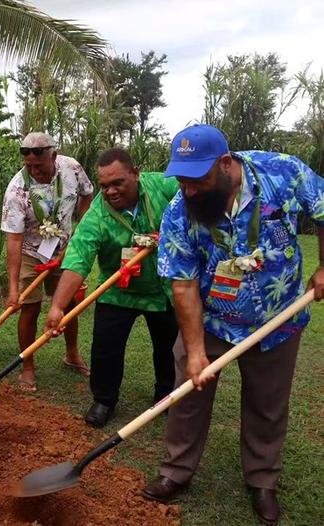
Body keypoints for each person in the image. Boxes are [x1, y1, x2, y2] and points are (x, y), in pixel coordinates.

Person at [141, 124, 324, 526]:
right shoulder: (180, 211)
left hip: (278, 319)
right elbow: (184, 284)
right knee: (188, 395)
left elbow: (323, 208)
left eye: (197, 180)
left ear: (226, 164)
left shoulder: (282, 173)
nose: (188, 190)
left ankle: (262, 479)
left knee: (267, 403)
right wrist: (195, 351)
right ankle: (176, 471)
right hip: (212, 321)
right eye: (182, 181)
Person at [44, 147, 179, 427]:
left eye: (118, 183)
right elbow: (78, 258)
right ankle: (104, 400)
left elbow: (196, 188)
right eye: (104, 186)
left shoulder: (163, 186)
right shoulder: (97, 216)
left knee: (167, 346)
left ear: (136, 174)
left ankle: (166, 396)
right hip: (117, 287)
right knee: (106, 347)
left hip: (163, 287)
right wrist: (58, 306)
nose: (111, 191)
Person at [1, 132, 93, 391]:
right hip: (31, 251)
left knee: (68, 303)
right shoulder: (17, 190)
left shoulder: (72, 168)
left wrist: (81, 228)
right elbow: (14, 240)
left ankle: (72, 354)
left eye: (38, 165)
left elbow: (88, 193)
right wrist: (13, 288)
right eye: (28, 166)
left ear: (54, 155)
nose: (33, 170)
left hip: (66, 249)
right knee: (29, 307)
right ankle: (28, 365)